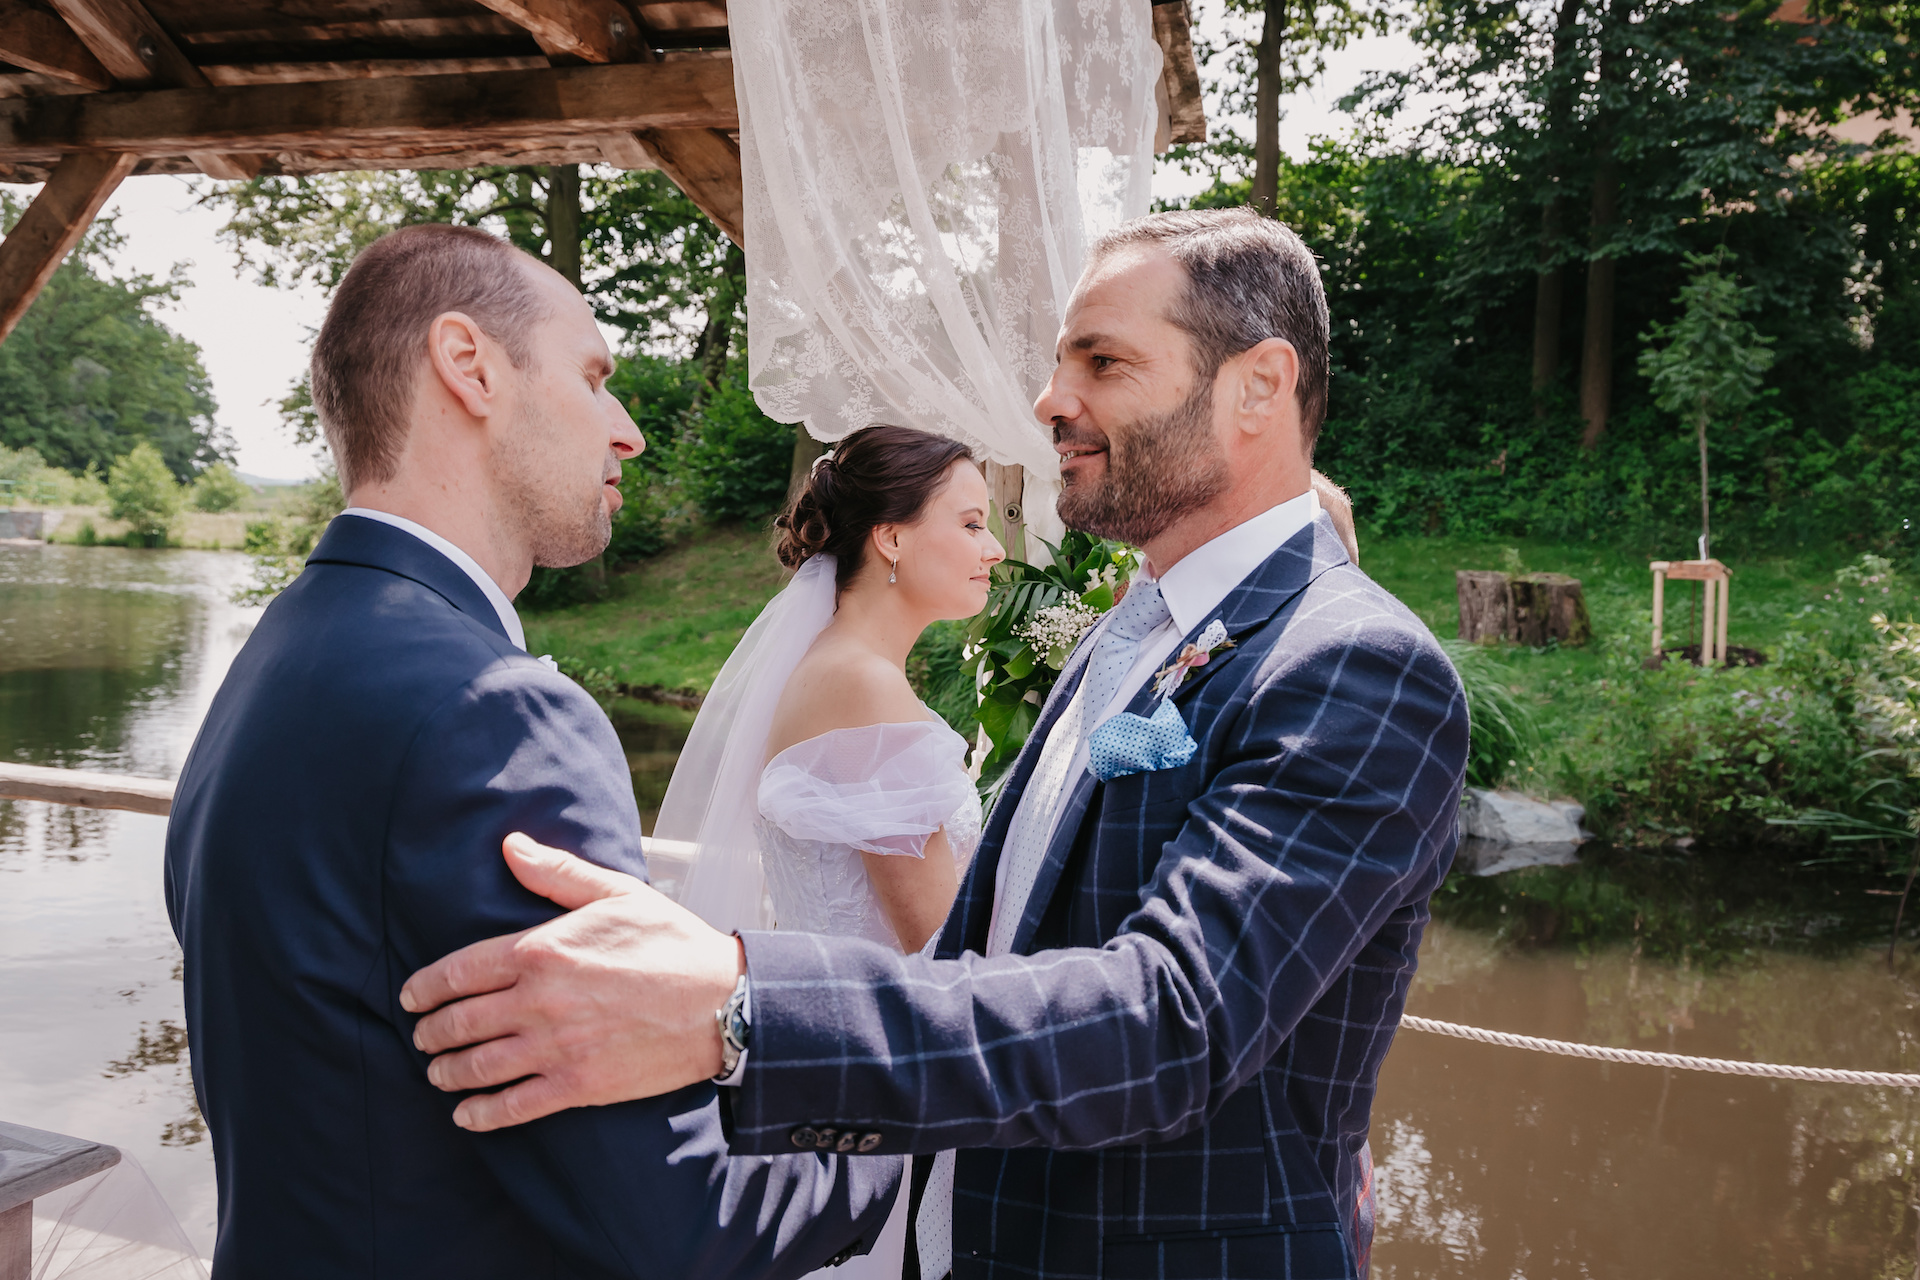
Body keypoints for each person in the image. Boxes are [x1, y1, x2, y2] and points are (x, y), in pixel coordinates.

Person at [400, 207, 1471, 1279]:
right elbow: (986, 953)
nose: (1050, 400)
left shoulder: (1354, 663)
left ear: (1259, 386)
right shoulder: (1128, 635)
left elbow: (1174, 1020)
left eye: (1102, 362)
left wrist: (738, 1004)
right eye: (1060, 364)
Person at [163, 224, 899, 1277]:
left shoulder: (277, 653)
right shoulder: (493, 712)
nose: (628, 431)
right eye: (595, 378)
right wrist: (902, 1121)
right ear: (470, 366)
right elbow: (677, 1224)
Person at [654, 423, 1004, 1279]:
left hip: (832, 1068)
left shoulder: (832, 667)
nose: (994, 548)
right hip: (884, 1083)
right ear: (891, 539)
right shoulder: (865, 689)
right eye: (970, 524)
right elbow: (938, 942)